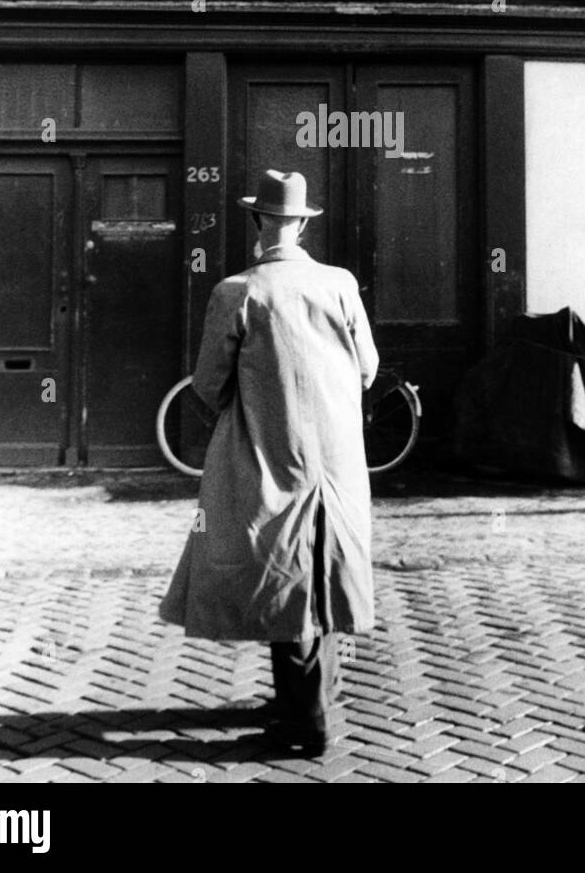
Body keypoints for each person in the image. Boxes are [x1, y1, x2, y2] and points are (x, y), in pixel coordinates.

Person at [159, 168, 379, 757]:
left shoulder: (239, 291)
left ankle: (308, 725)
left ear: (259, 222)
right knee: (321, 567)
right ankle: (310, 699)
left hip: (270, 452)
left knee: (282, 571)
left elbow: (207, 383)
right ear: (303, 225)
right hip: (336, 459)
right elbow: (367, 369)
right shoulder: (340, 284)